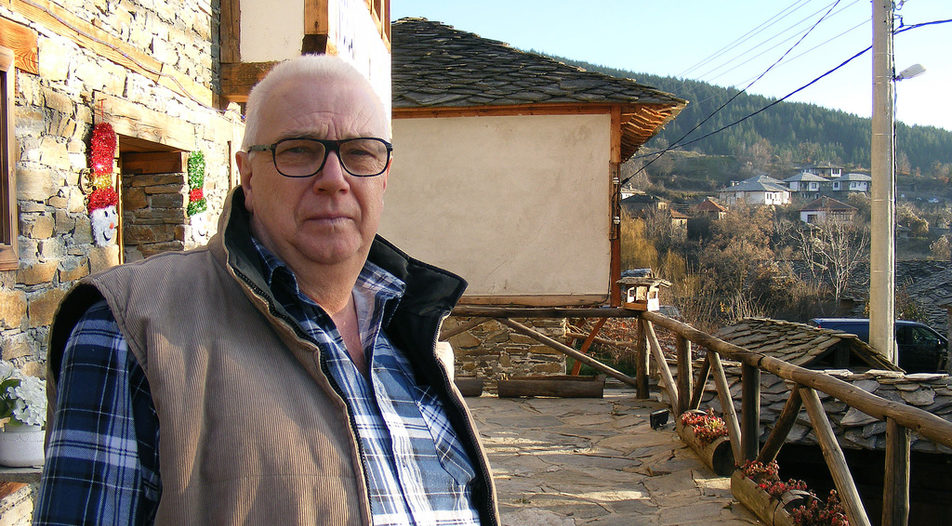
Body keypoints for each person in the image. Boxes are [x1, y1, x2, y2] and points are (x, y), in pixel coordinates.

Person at [35, 54, 498, 525]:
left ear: (385, 177)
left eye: (360, 153)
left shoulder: (404, 327)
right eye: (299, 150)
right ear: (248, 175)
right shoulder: (132, 324)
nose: (334, 180)